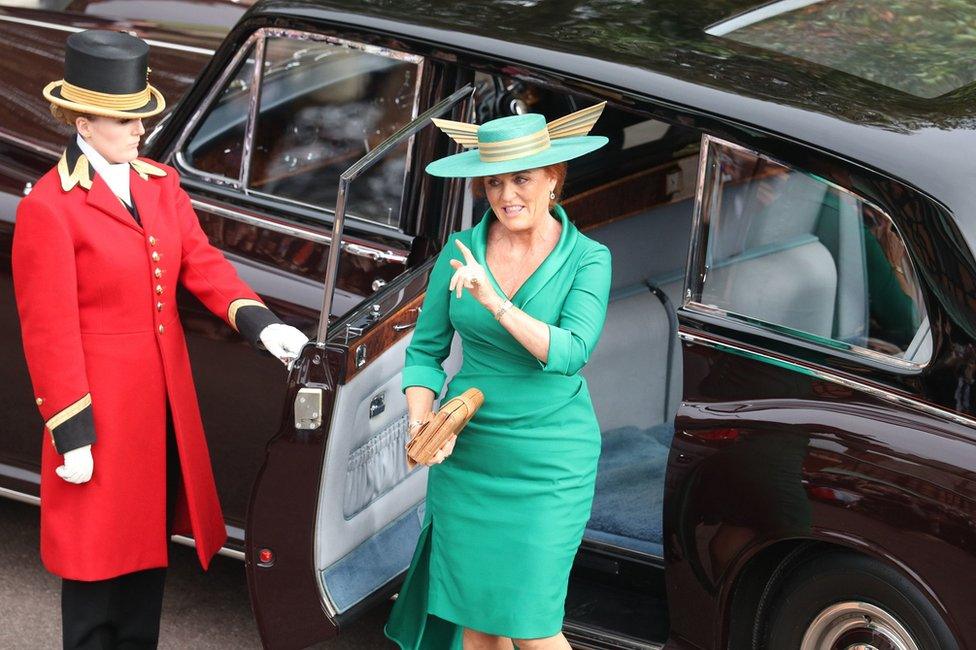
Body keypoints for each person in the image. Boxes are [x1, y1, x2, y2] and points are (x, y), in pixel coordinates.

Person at [12, 29, 308, 648]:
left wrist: (260, 323)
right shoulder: (50, 206)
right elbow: (50, 330)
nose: (139, 130)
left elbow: (201, 264)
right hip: (97, 409)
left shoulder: (158, 184)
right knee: (95, 570)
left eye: (142, 115)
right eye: (124, 120)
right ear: (83, 123)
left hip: (158, 406)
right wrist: (72, 432)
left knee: (147, 563)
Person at [385, 102, 612, 649]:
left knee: (534, 629)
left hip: (549, 462)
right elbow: (425, 353)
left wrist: (496, 301)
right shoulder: (459, 252)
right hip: (470, 456)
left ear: (553, 179)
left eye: (522, 179)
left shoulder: (589, 258)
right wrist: (421, 422)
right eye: (493, 183)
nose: (507, 195)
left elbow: (569, 352)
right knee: (478, 623)